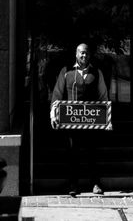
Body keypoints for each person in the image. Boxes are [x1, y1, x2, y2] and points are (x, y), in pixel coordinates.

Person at [50, 42, 108, 197]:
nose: (84, 55)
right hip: (71, 122)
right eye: (81, 53)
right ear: (76, 54)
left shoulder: (97, 73)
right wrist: (53, 114)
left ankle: (95, 183)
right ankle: (73, 185)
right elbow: (57, 94)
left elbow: (103, 96)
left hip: (91, 122)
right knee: (72, 153)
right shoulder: (66, 71)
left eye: (87, 53)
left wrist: (106, 119)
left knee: (92, 153)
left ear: (90, 55)